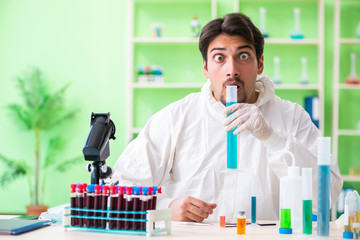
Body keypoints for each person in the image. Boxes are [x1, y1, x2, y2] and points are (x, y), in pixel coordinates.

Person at [112, 13, 342, 222]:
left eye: (243, 56)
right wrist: (165, 207)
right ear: (205, 67)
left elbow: (328, 195)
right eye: (219, 58)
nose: (232, 69)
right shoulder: (177, 117)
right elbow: (119, 189)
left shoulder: (291, 117)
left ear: (260, 64)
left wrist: (272, 138)